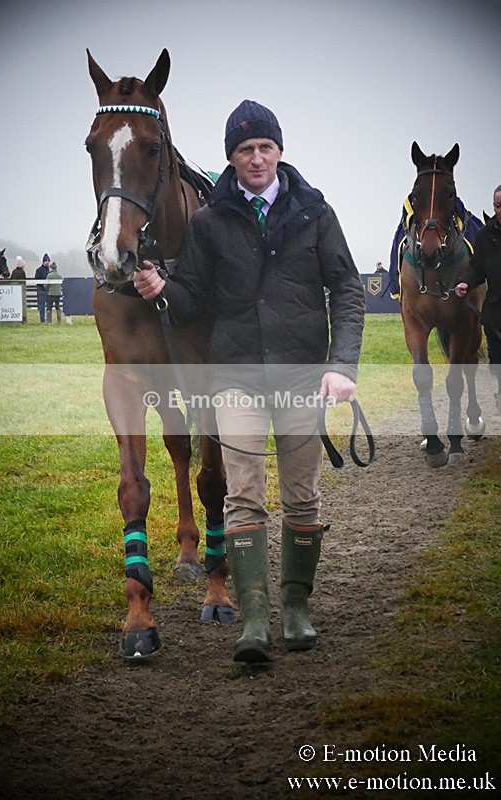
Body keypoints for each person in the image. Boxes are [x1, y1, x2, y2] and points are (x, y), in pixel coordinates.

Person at [133, 99, 365, 663]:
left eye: (264, 147)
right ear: (231, 159)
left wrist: (341, 365)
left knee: (303, 498)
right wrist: (162, 289)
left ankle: (295, 608)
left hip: (302, 376)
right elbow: (193, 298)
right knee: (243, 497)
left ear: (279, 151)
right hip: (236, 376)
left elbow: (349, 289)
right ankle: (255, 618)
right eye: (243, 150)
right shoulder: (211, 223)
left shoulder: (316, 213)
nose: (255, 158)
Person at [455, 182, 501, 462]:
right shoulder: (486, 237)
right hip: (498, 320)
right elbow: (477, 268)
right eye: (497, 206)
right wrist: (464, 282)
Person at [35, 253, 50, 322]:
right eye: (46, 261)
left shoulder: (49, 271)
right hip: (41, 290)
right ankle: (42, 319)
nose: (47, 262)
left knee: (49, 306)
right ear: (43, 261)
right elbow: (37, 280)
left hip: (48, 291)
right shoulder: (39, 270)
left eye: (48, 261)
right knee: (42, 306)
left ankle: (48, 319)